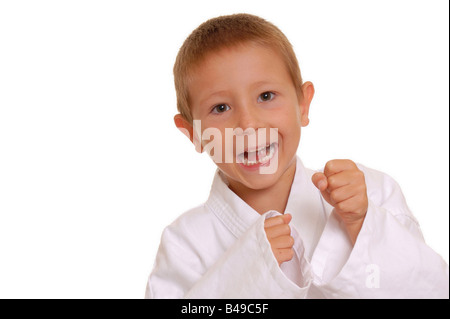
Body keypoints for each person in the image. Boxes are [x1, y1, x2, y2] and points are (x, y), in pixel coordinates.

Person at [145, 13, 449, 298]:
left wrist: (362, 224)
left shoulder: (370, 194)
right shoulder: (184, 244)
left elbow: (432, 289)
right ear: (193, 133)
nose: (248, 124)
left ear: (303, 105)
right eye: (221, 108)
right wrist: (248, 271)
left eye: (266, 96)